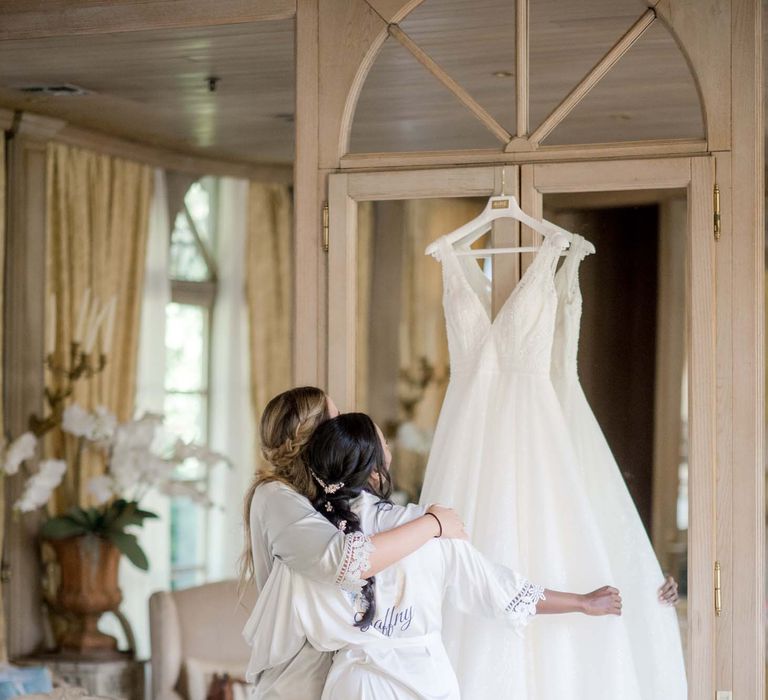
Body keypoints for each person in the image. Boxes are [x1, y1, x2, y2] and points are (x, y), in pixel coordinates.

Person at [244, 413, 623, 700]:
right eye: (385, 445)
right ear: (376, 469)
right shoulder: (428, 526)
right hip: (423, 681)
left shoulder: (316, 540)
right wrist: (581, 602)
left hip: (352, 684)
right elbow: (502, 591)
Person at [240, 387, 467, 699]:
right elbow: (345, 562)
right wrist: (433, 524)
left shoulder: (320, 497)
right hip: (297, 678)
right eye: (335, 421)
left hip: (335, 673)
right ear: (314, 436)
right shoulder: (276, 497)